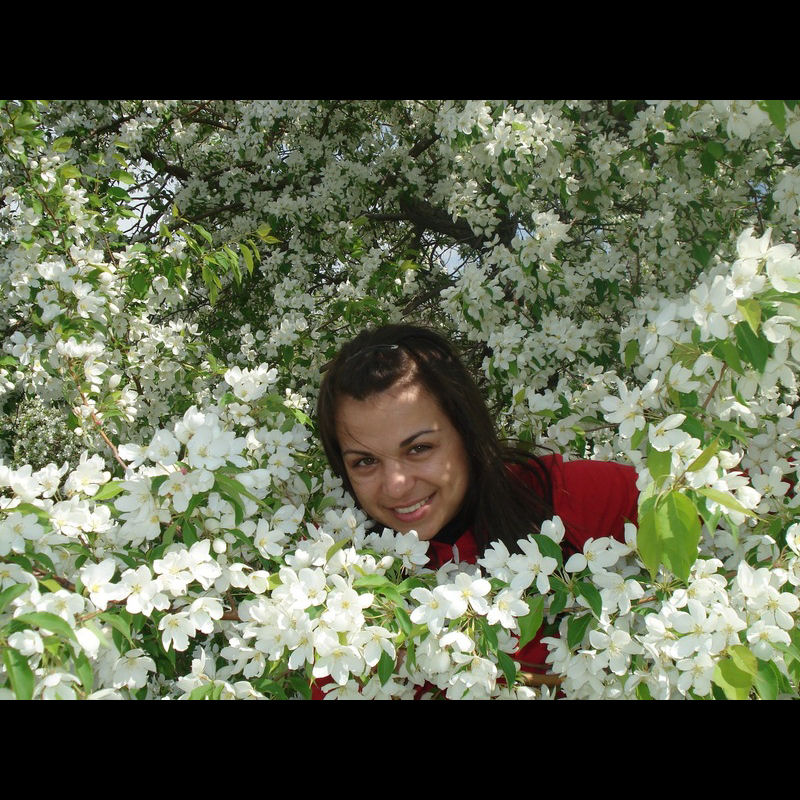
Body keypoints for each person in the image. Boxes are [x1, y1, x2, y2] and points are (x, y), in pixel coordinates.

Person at [316, 323, 639, 687]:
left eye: (419, 448)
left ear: (466, 432)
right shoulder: (348, 607)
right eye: (365, 461)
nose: (396, 485)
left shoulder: (566, 497)